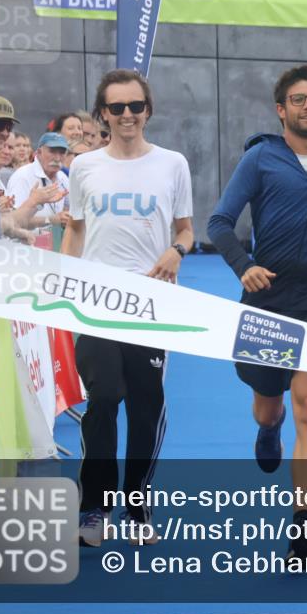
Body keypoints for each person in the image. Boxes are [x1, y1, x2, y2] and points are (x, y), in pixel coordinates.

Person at [207, 64, 307, 562]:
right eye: (298, 99)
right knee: (271, 404)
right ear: (281, 109)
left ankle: (303, 522)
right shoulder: (261, 159)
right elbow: (218, 223)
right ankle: (267, 426)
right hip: (267, 298)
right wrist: (244, 267)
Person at [61, 69, 194, 548]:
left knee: (145, 406)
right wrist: (62, 284)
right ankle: (94, 508)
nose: (127, 116)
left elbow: (185, 229)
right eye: (116, 108)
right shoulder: (85, 167)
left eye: (135, 106)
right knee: (104, 397)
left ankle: (137, 506)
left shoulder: (172, 164)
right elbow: (75, 230)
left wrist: (176, 252)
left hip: (152, 302)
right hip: (94, 301)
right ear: (103, 114)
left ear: (148, 110)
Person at [6, 132, 71, 232]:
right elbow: (14, 221)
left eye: (62, 152)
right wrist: (51, 220)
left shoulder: (62, 177)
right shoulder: (22, 176)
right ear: (39, 152)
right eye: (52, 151)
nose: (57, 158)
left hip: (52, 244)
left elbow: (73, 208)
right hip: (24, 245)